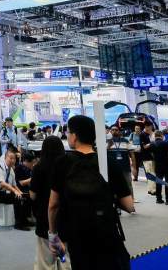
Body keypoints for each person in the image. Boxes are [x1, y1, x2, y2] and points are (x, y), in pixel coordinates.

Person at [48, 115, 133, 270]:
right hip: (107, 232)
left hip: (77, 235)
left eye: (68, 133)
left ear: (74, 136)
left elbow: (53, 205)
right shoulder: (108, 162)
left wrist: (53, 234)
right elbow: (129, 205)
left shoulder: (62, 163)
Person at [30, 136, 66, 270]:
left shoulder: (38, 168)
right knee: (66, 261)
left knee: (45, 261)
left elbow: (33, 195)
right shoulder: (68, 166)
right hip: (66, 217)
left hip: (44, 218)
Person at [0, 148, 32, 230]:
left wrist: (20, 192)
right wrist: (15, 192)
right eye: (10, 158)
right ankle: (18, 224)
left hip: (6, 193)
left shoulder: (11, 170)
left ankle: (25, 220)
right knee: (16, 197)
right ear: (5, 158)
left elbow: (14, 185)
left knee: (25, 197)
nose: (13, 160)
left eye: (14, 159)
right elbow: (3, 183)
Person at [151, 130, 168, 205]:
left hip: (158, 165)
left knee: (159, 182)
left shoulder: (152, 144)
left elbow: (152, 155)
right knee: (167, 182)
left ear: (155, 136)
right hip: (167, 164)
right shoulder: (166, 143)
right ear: (162, 135)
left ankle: (158, 199)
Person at [140, 123, 156, 195]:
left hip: (154, 157)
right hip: (146, 157)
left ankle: (150, 189)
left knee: (151, 173)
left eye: (148, 126)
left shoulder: (153, 134)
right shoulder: (143, 134)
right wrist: (153, 143)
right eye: (146, 127)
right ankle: (153, 190)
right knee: (151, 173)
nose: (147, 128)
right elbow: (144, 147)